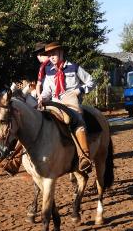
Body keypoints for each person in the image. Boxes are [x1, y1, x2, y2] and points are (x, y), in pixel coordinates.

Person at [39, 42, 96, 171]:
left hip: (71, 99)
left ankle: (84, 157)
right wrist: (42, 97)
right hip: (55, 102)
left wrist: (79, 90)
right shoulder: (49, 72)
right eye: (49, 55)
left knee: (77, 119)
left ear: (61, 53)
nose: (51, 57)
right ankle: (16, 159)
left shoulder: (74, 68)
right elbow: (47, 91)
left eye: (53, 54)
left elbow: (91, 82)